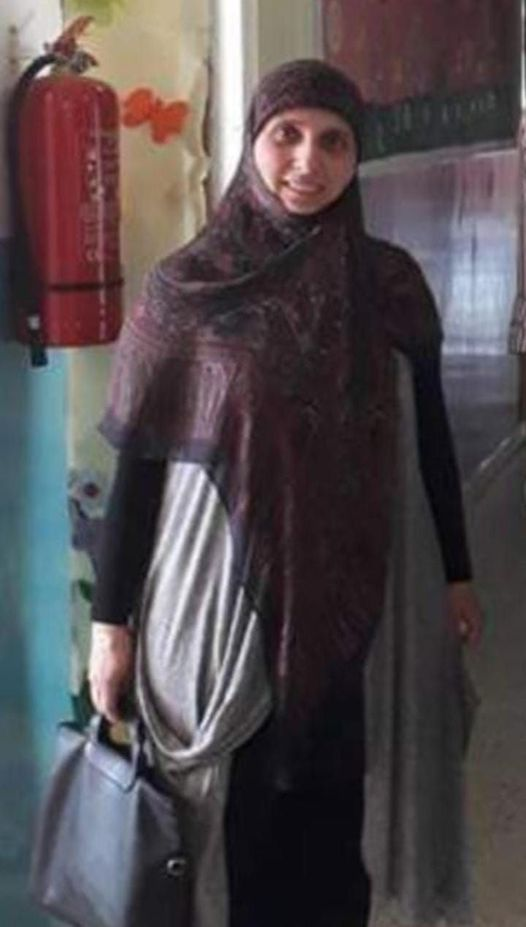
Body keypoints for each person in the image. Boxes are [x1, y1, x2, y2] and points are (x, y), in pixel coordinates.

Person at [88, 59, 482, 927]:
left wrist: (457, 573)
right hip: (229, 614)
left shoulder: (389, 287)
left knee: (339, 837)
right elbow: (139, 468)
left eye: (334, 142)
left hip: (360, 606)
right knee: (235, 835)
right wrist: (109, 626)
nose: (309, 161)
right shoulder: (188, 292)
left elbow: (431, 439)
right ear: (252, 143)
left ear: (356, 157)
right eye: (287, 136)